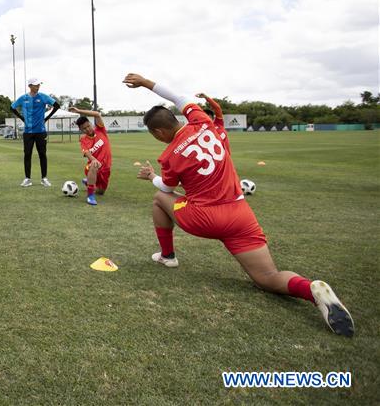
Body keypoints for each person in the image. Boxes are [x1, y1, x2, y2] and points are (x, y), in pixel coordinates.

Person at [123, 72, 354, 337]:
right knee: (267, 277)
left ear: (158, 132)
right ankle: (310, 288)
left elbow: (167, 188)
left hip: (203, 216)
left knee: (159, 199)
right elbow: (176, 96)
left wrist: (151, 176)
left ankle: (168, 257)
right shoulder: (203, 121)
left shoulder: (169, 155)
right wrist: (146, 83)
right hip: (240, 213)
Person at [10, 78, 60, 187]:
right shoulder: (23, 98)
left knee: (42, 154)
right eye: (36, 85)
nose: (38, 86)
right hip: (28, 132)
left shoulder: (43, 96)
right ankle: (27, 179)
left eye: (39, 85)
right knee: (27, 154)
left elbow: (57, 106)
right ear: (30, 86)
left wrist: (46, 118)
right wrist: (22, 118)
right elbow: (12, 107)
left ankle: (44, 178)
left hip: (41, 131)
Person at [68, 107, 112, 206]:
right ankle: (90, 196)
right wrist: (94, 160)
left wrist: (79, 111)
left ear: (91, 124)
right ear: (81, 129)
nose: (88, 129)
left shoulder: (100, 130)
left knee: (101, 192)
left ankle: (88, 181)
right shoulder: (83, 139)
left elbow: (97, 114)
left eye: (88, 126)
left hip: (106, 167)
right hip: (92, 167)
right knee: (93, 164)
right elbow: (87, 153)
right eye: (84, 128)